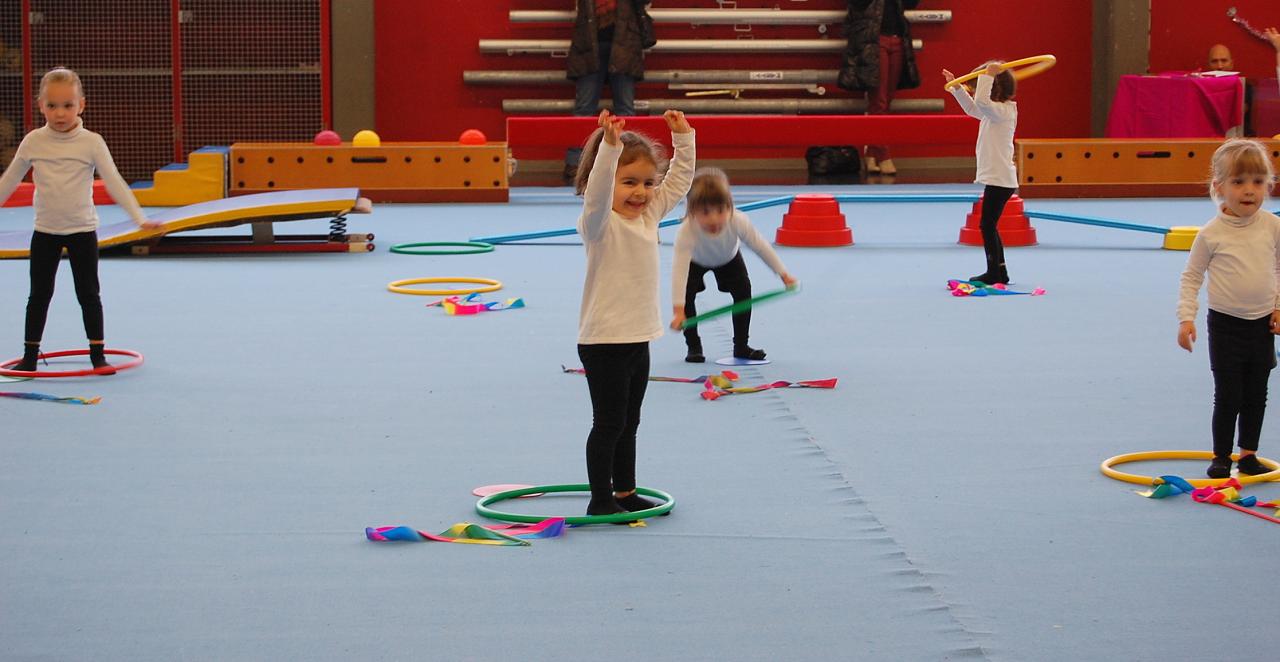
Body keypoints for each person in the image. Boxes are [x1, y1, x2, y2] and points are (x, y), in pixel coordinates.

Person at [574, 108, 694, 516]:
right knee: (608, 423)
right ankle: (600, 499)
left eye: (647, 182)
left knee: (630, 421)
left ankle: (625, 492)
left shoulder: (649, 216)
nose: (641, 192)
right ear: (607, 181)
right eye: (629, 182)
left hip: (638, 337)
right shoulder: (598, 223)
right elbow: (597, 190)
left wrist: (683, 138)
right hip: (604, 340)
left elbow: (679, 181)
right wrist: (609, 147)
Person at [0, 68, 157, 374]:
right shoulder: (33, 141)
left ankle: (97, 354)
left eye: (68, 105)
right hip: (45, 231)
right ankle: (30, 355)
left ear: (81, 105)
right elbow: (9, 182)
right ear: (40, 106)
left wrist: (140, 218)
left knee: (88, 294)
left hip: (82, 231)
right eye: (52, 105)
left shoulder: (91, 142)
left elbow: (114, 181)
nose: (60, 113)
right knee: (38, 295)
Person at [1176, 138, 1280, 479]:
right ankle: (1221, 456)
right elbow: (1191, 277)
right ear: (1219, 187)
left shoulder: (1272, 226)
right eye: (1238, 182)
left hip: (1261, 324)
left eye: (1258, 181)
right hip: (1225, 326)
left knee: (1257, 393)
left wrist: (1278, 307)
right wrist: (1186, 318)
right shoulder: (1211, 234)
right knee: (1228, 394)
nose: (1249, 190)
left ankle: (1248, 454)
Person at [669, 167, 796, 363]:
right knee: (687, 298)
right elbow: (679, 271)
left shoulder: (738, 220)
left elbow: (761, 246)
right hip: (696, 261)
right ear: (692, 211)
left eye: (721, 210)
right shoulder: (687, 231)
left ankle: (741, 346)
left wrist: (783, 274)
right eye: (705, 212)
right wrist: (678, 311)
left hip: (728, 258)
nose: (714, 219)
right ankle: (693, 346)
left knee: (743, 291)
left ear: (730, 206)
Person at [944, 62, 1017, 285]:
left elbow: (982, 102)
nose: (977, 92)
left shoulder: (1003, 112)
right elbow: (973, 108)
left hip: (1000, 180)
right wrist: (956, 87)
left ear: (993, 87)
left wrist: (988, 75)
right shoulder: (992, 113)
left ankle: (994, 272)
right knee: (989, 224)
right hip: (998, 179)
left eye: (980, 87)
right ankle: (1000, 271)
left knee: (987, 225)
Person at [563, 0, 650, 184]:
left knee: (590, 110)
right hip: (621, 43)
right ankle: (578, 165)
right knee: (616, 110)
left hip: (597, 43)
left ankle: (578, 164)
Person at [838, 0, 921, 176]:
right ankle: (883, 155)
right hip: (873, 40)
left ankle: (871, 153)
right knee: (879, 102)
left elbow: (911, 3)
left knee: (884, 102)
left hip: (897, 38)